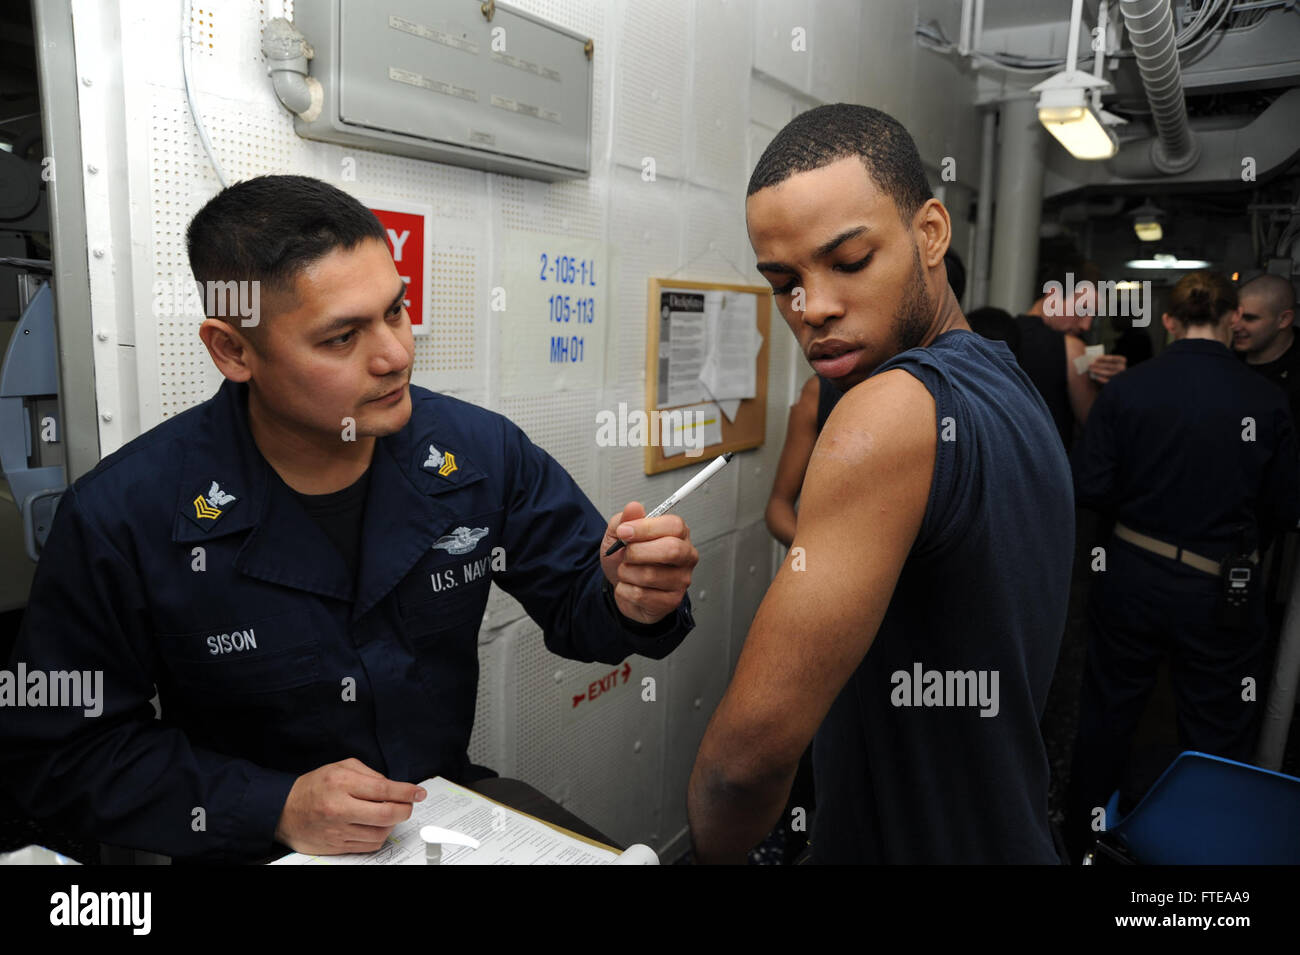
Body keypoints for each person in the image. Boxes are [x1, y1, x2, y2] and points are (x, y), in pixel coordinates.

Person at [0, 175, 699, 863]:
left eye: (395, 311)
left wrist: (631, 595)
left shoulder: (478, 452)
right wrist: (271, 805)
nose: (395, 354)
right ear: (233, 350)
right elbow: (59, 753)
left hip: (443, 826)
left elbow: (582, 603)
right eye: (342, 338)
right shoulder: (125, 514)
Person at [687, 103, 1075, 863]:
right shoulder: (1008, 378)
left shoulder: (893, 410)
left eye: (850, 261)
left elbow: (745, 760)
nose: (815, 308)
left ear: (930, 233)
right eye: (784, 282)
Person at [1064, 271, 1299, 861]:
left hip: (1132, 572)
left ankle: (1085, 841)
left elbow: (1089, 484)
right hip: (1219, 586)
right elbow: (1285, 507)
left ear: (1168, 322)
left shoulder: (1130, 390)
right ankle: (1203, 854)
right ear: (1231, 321)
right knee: (1216, 725)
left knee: (1109, 712)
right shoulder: (1267, 401)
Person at [1016, 260, 1127, 449]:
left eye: (1093, 316)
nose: (1086, 325)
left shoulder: (1001, 335)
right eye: (1083, 310)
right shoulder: (1073, 348)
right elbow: (1095, 426)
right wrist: (1113, 388)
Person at [1231, 273, 1300, 428]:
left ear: (1283, 320)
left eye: (1249, 318)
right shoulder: (1223, 361)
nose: (1235, 326)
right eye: (1235, 316)